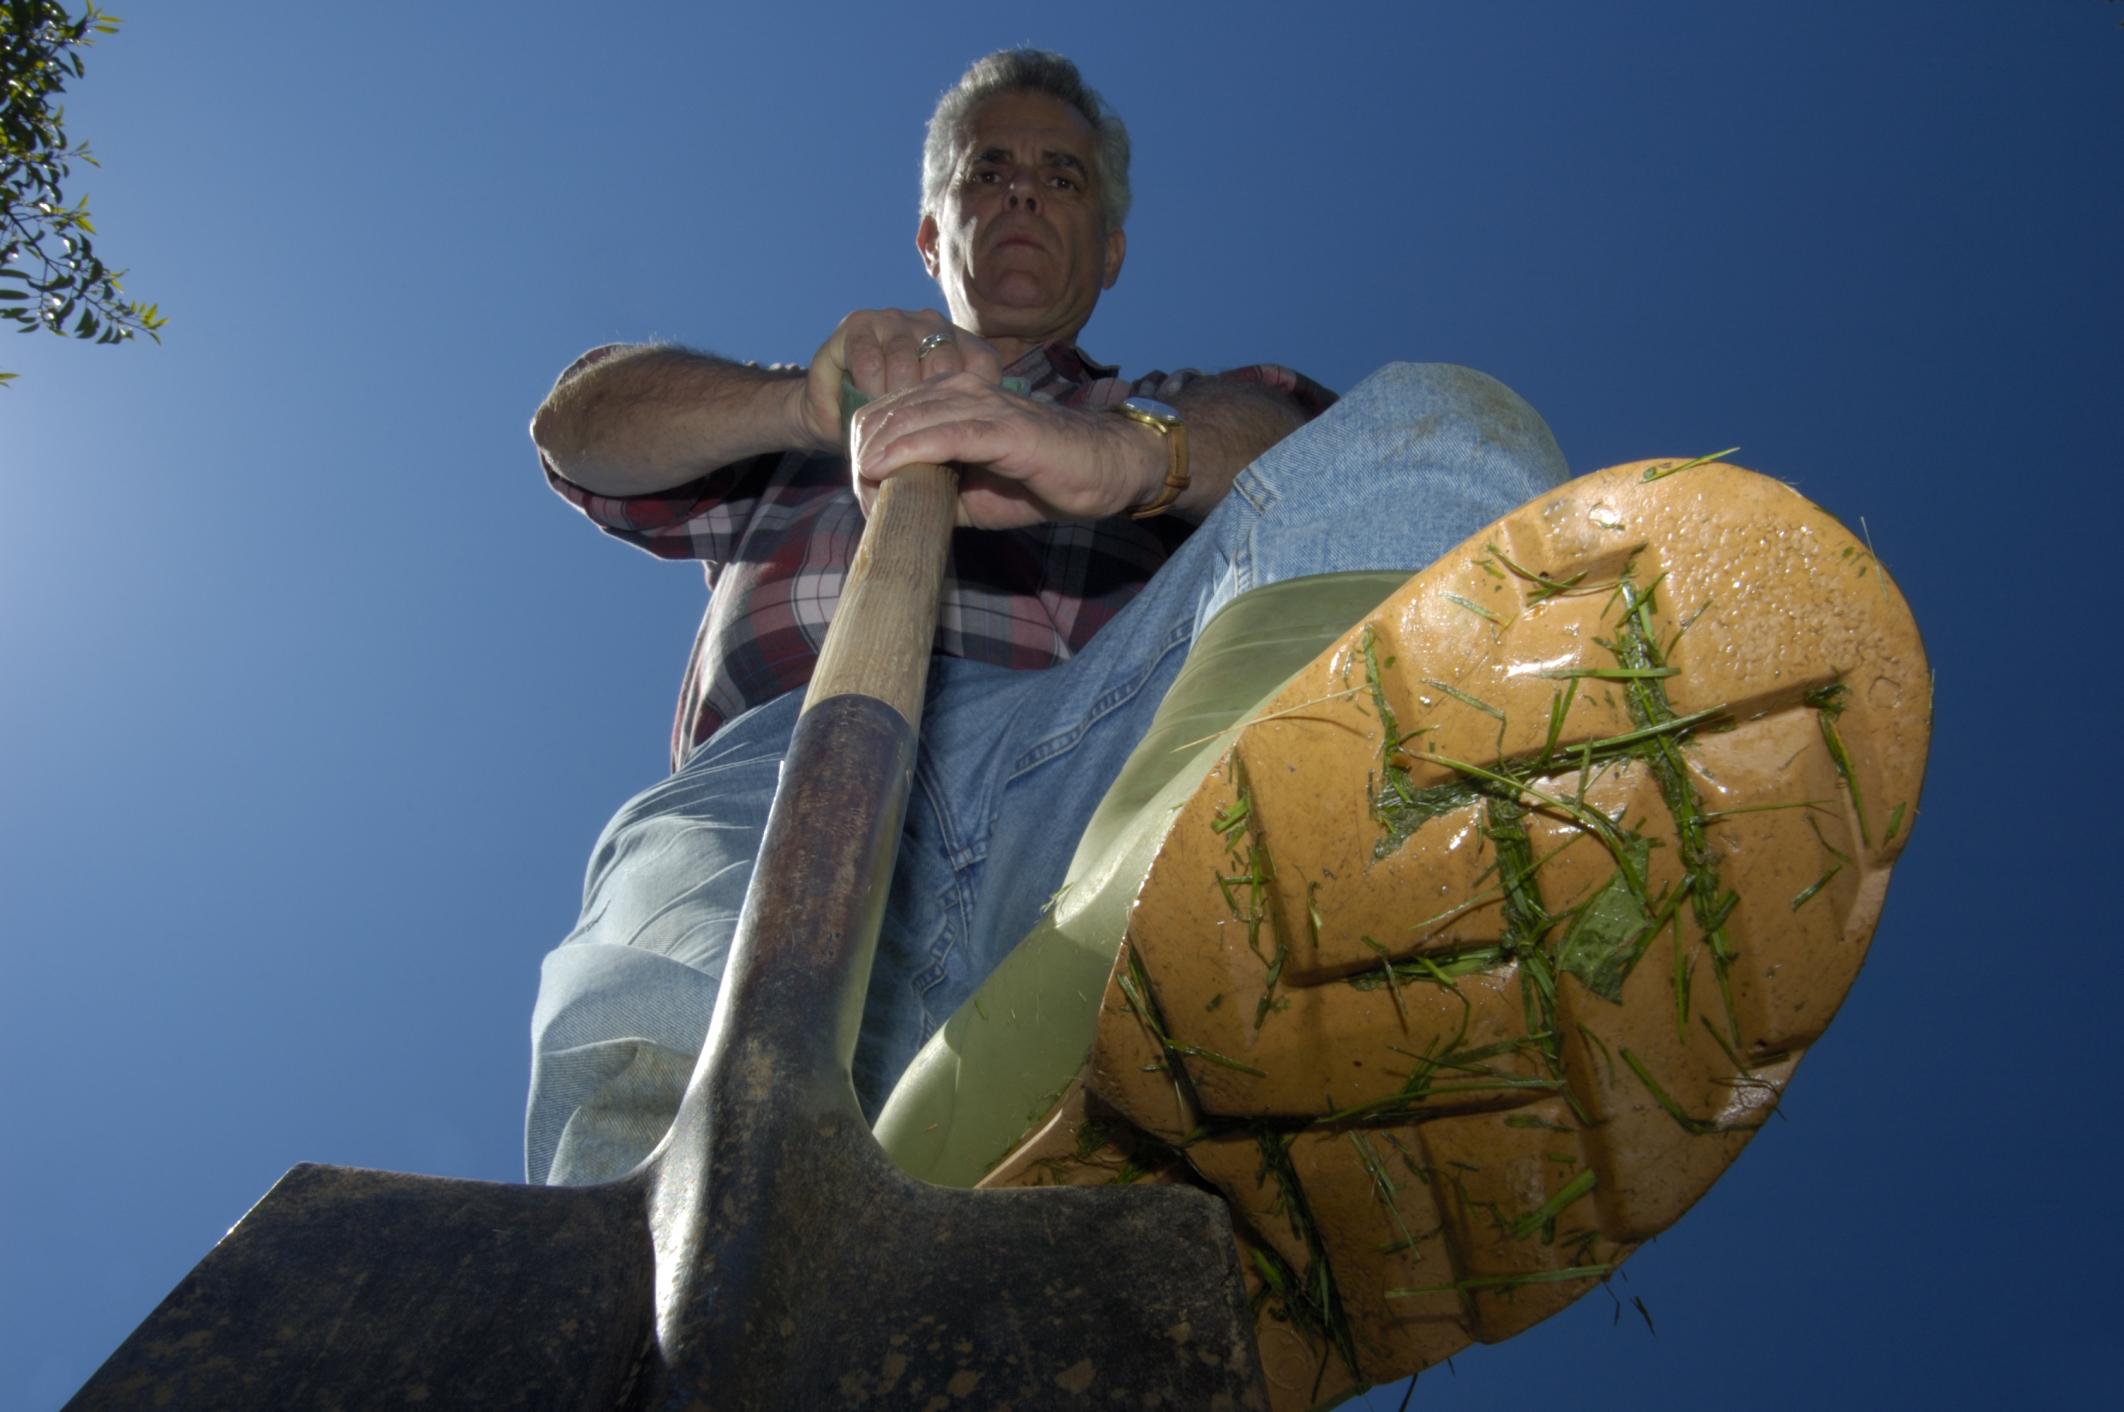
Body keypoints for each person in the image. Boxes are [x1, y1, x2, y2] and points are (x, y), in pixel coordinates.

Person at [524, 50, 1569, 1188]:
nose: (1023, 193)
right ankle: (673, 1245)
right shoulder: (802, 415)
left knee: (1446, 427)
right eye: (990, 171)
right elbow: (579, 427)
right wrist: (798, 403)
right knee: (666, 1013)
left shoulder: (1173, 414)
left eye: (1062, 178)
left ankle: (1177, 953)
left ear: (1108, 249)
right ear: (933, 233)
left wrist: (1129, 455)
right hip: (779, 785)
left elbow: (1324, 450)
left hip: (1087, 788)